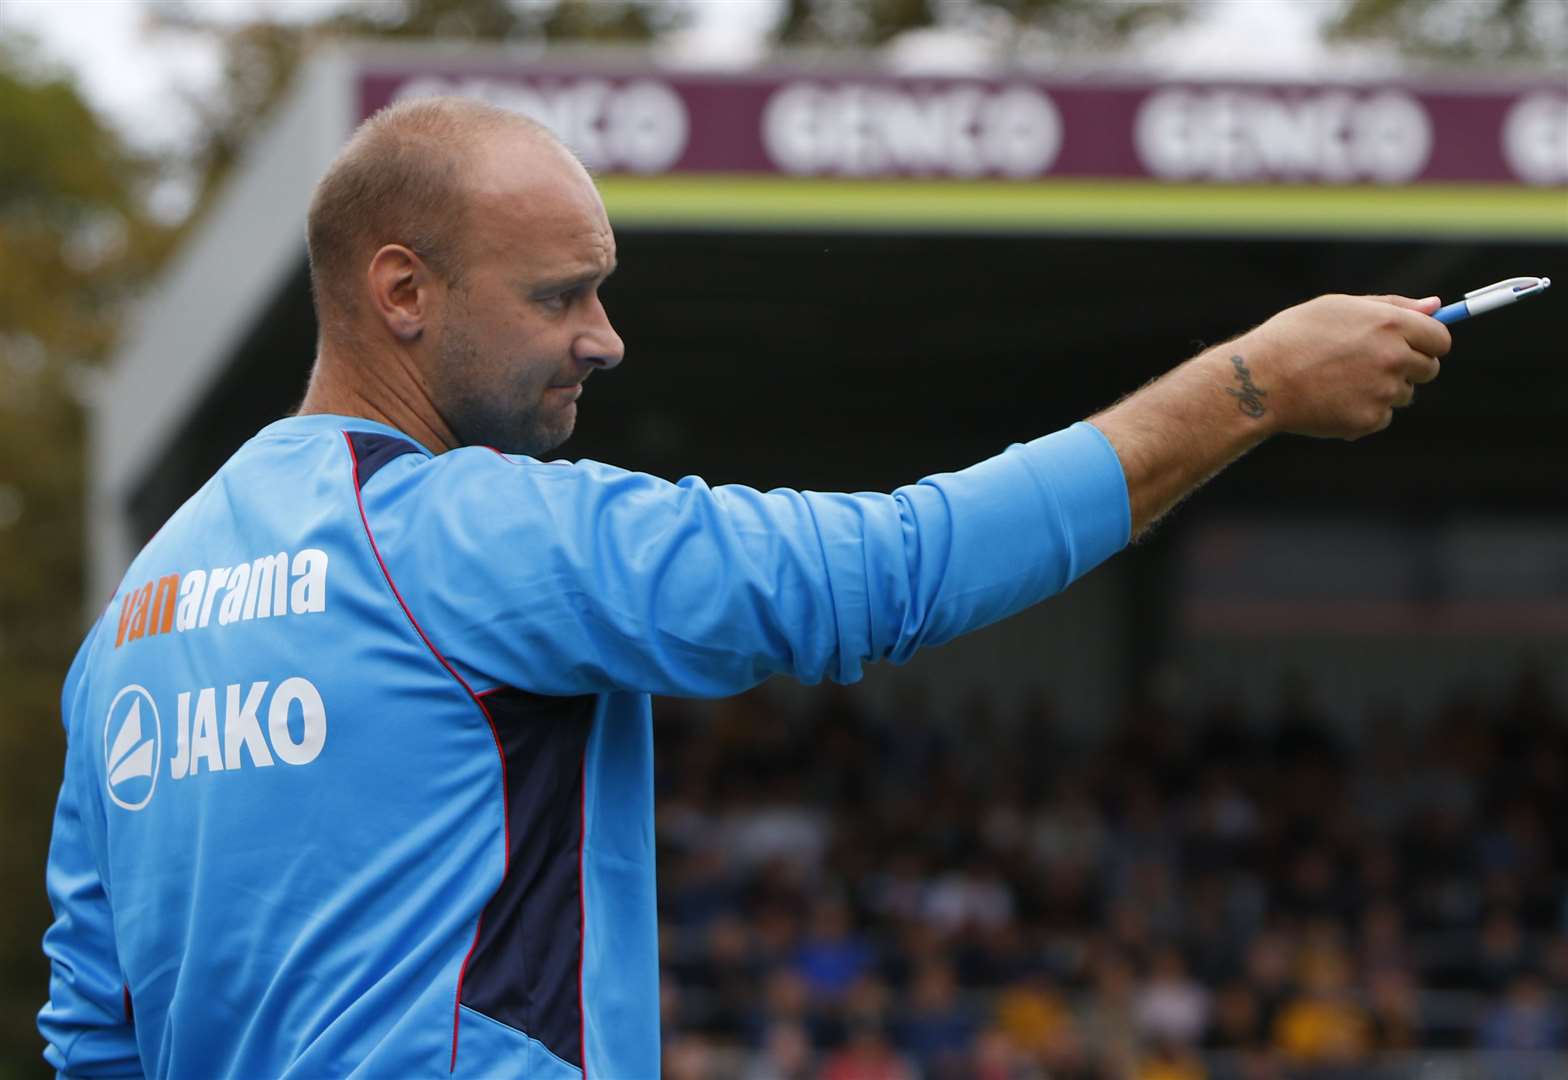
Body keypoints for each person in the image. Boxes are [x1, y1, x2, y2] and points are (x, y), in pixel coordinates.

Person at [38, 95, 1450, 1078]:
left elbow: (94, 1037)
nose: (606, 339)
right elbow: (899, 570)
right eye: (561, 295)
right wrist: (1254, 385)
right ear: (403, 293)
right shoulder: (472, 536)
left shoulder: (137, 619)